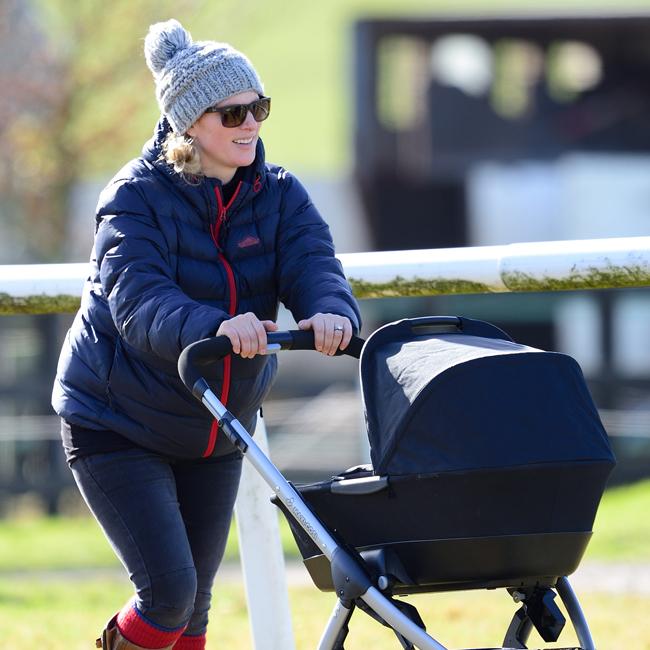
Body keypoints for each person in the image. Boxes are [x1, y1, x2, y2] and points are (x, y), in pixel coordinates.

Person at [51, 18, 360, 650]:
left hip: (216, 424)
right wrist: (217, 326)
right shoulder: (132, 200)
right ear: (188, 123)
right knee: (168, 598)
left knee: (193, 612)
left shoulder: (280, 195)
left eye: (258, 108)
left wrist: (331, 311)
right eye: (233, 113)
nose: (251, 124)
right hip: (117, 422)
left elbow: (313, 264)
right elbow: (140, 303)